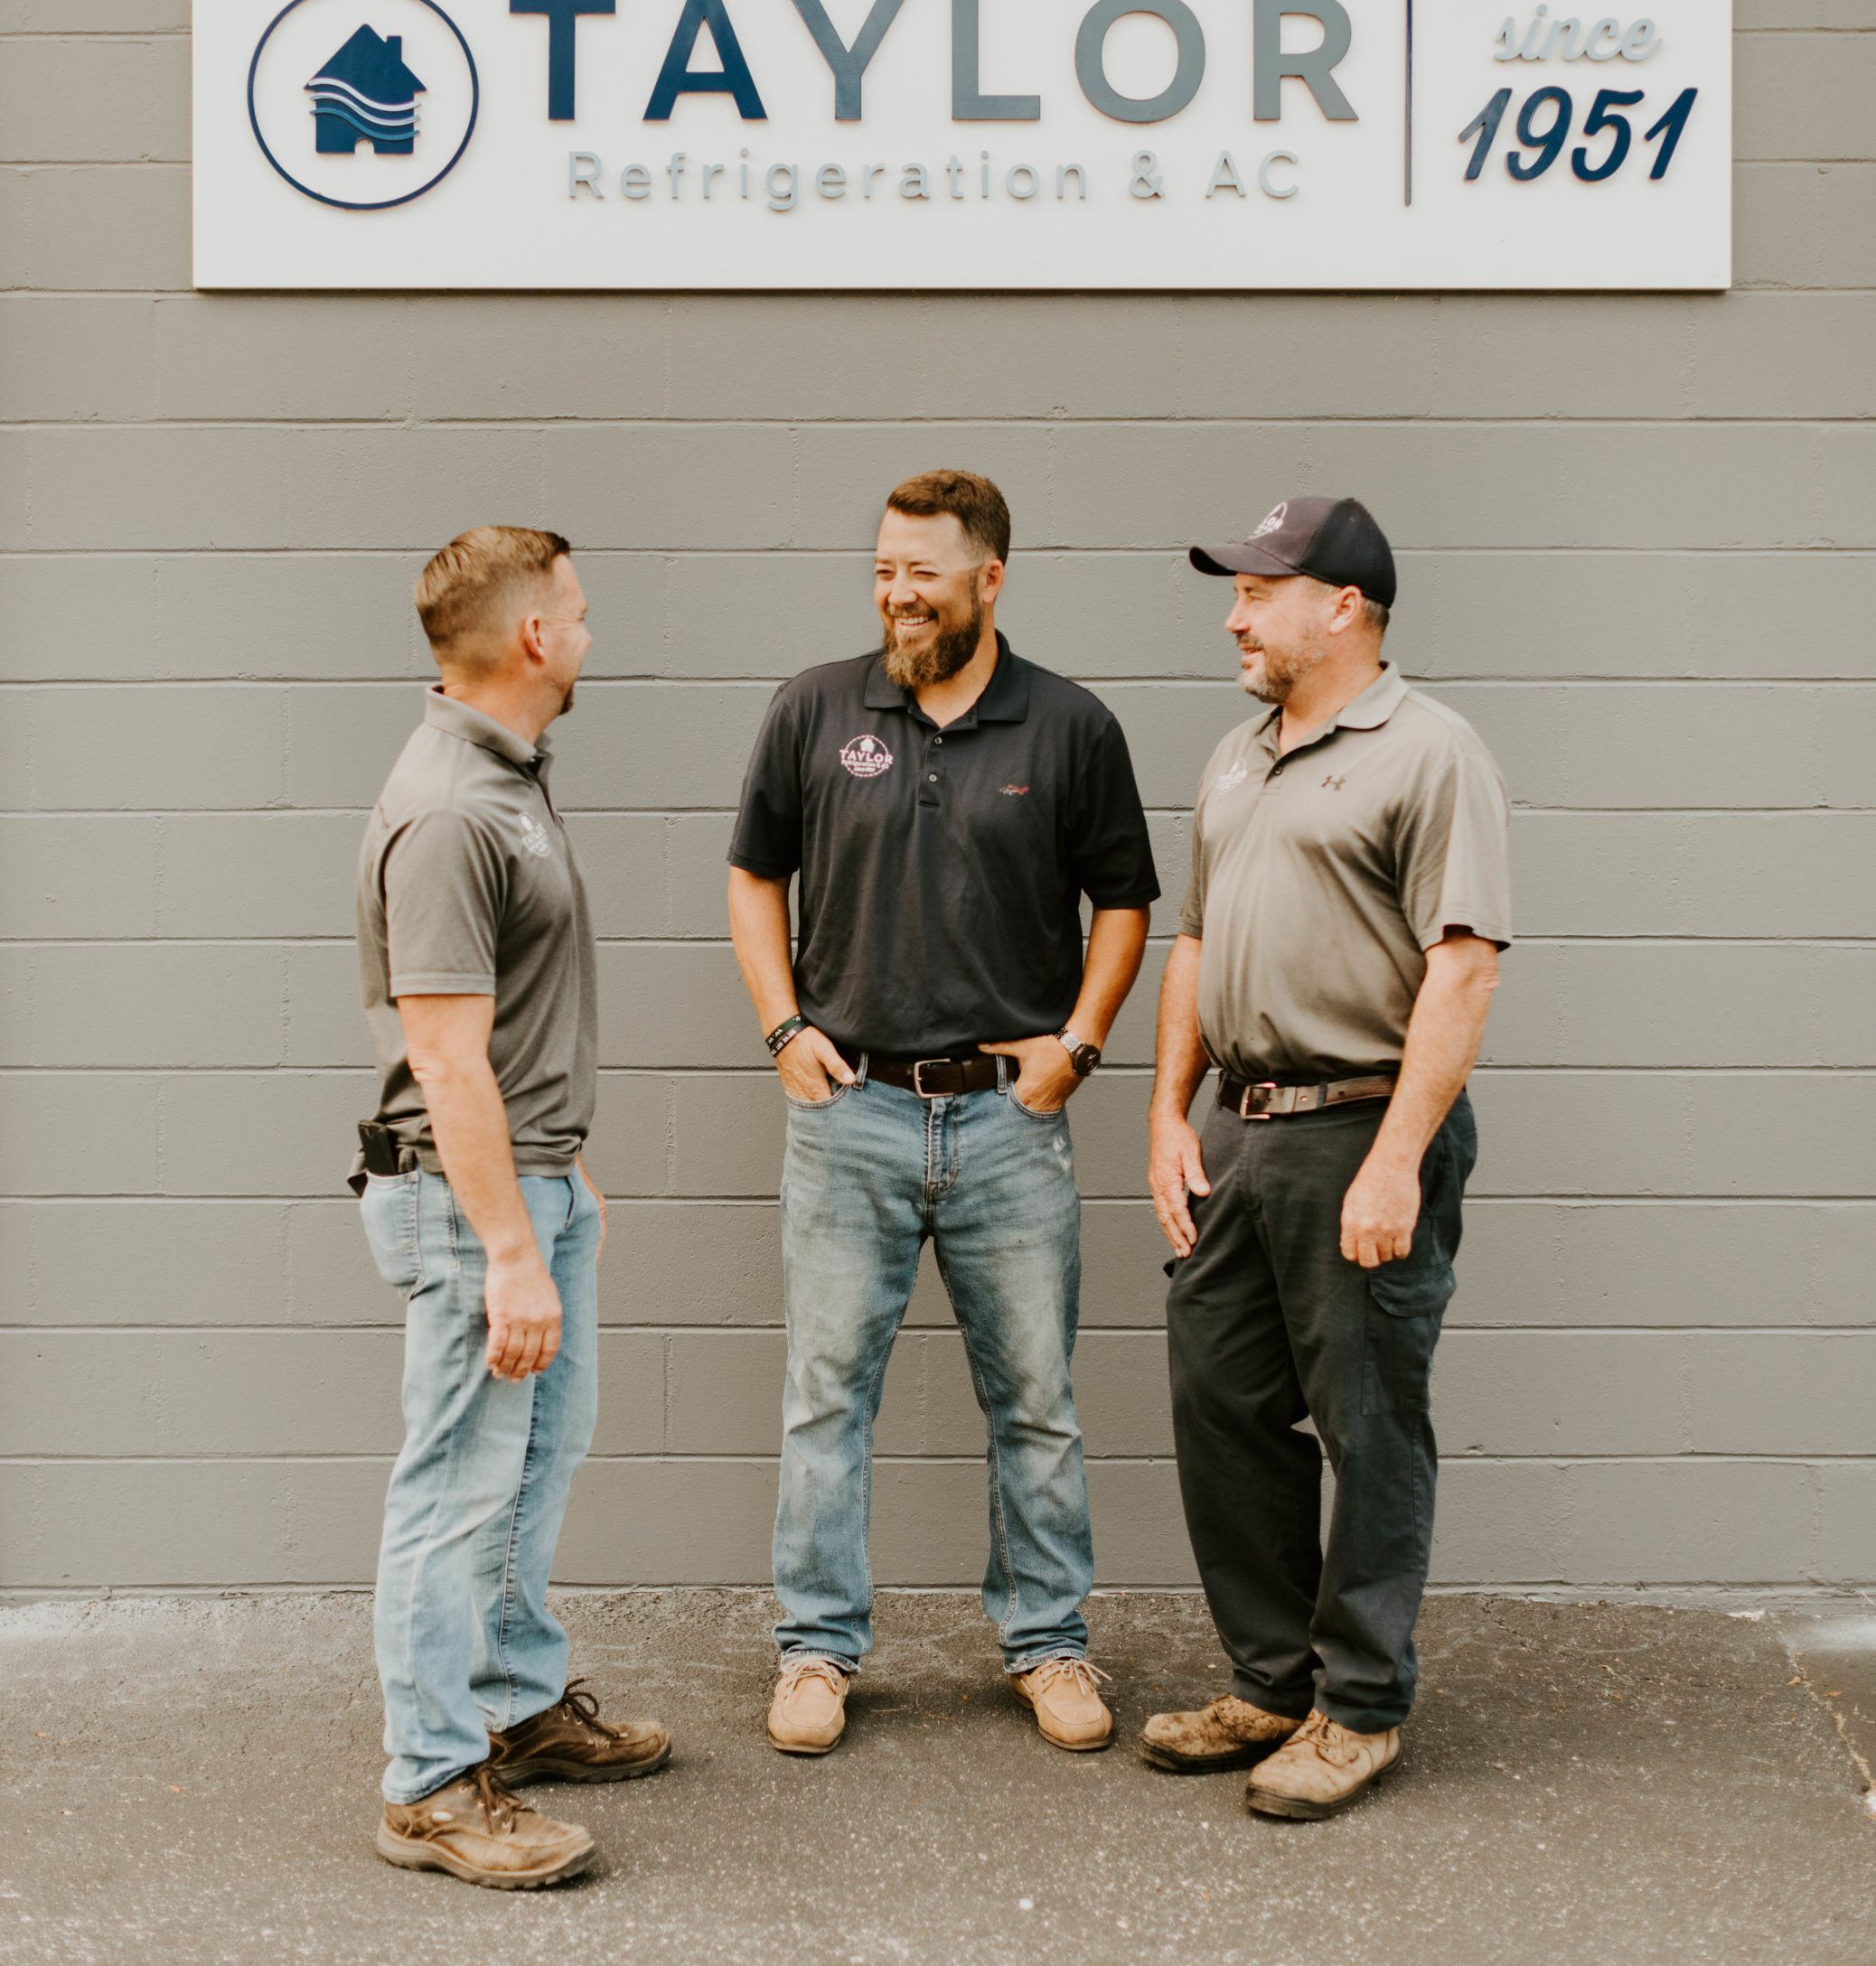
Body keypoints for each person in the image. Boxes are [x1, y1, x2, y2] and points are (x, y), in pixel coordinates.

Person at [727, 470, 1158, 1756]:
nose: (896, 593)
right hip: (848, 1111)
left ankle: (1049, 1646)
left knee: (1036, 1399)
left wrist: (1078, 1047)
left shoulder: (1070, 727)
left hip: (1007, 1126)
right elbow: (754, 877)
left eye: (922, 571)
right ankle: (814, 1653)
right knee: (824, 1399)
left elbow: (1126, 902)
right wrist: (784, 1029)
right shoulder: (815, 708)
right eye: (882, 569)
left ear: (990, 578)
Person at [1140, 495, 1509, 1821]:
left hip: (1362, 1126)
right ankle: (1270, 1678)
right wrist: (1168, 1115)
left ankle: (1358, 1707)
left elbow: (1462, 966)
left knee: (1370, 1424)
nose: (1235, 615)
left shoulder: (1429, 752)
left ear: (1340, 604)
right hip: (1238, 1131)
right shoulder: (1239, 756)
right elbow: (1192, 944)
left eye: (1257, 591)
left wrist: (1400, 1157)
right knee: (1222, 1406)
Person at [353, 526, 670, 1888]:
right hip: (469, 1204)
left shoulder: (514, 777)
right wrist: (506, 1247)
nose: (591, 633)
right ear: (532, 638)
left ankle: (514, 1701)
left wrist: (560, 1175)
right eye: (580, 615)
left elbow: (516, 1023)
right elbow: (444, 1054)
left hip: (534, 1179)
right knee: (454, 1485)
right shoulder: (450, 810)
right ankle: (430, 1779)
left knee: (539, 1459)